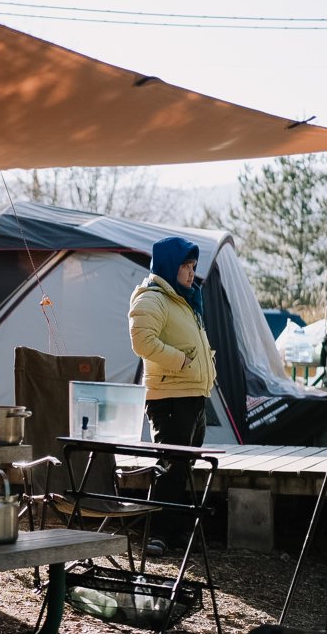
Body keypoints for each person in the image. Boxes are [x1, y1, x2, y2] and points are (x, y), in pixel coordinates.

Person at [128, 236, 216, 557]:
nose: (191, 273)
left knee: (183, 468)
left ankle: (176, 532)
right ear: (169, 265)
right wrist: (180, 360)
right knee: (169, 467)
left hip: (192, 395)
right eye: (185, 266)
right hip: (169, 398)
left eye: (193, 267)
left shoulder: (183, 299)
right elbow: (142, 341)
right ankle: (158, 534)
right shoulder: (154, 297)